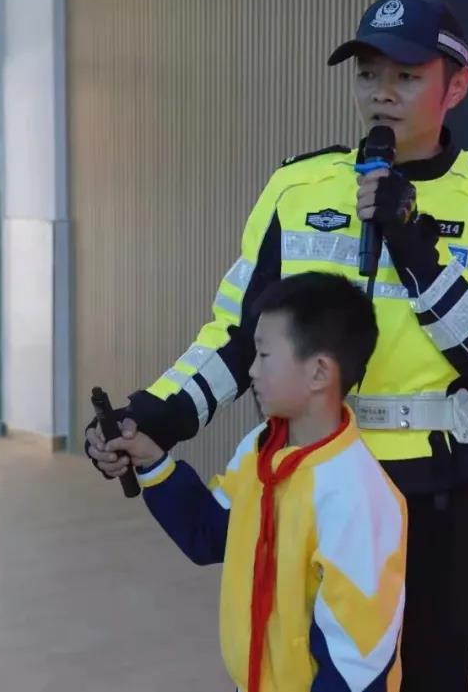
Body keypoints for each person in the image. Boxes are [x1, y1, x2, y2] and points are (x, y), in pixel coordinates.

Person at [86, 0, 468, 692]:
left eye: (406, 76)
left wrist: (414, 246)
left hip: (433, 489)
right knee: (295, 661)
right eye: (367, 74)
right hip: (305, 471)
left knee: (428, 673)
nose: (381, 94)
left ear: (456, 86)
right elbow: (238, 335)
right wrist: (155, 416)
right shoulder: (297, 186)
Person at [109, 272, 406, 692]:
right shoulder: (260, 448)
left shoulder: (360, 498)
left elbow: (356, 665)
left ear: (319, 372)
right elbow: (209, 533)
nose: (250, 371)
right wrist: (151, 461)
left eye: (264, 355)